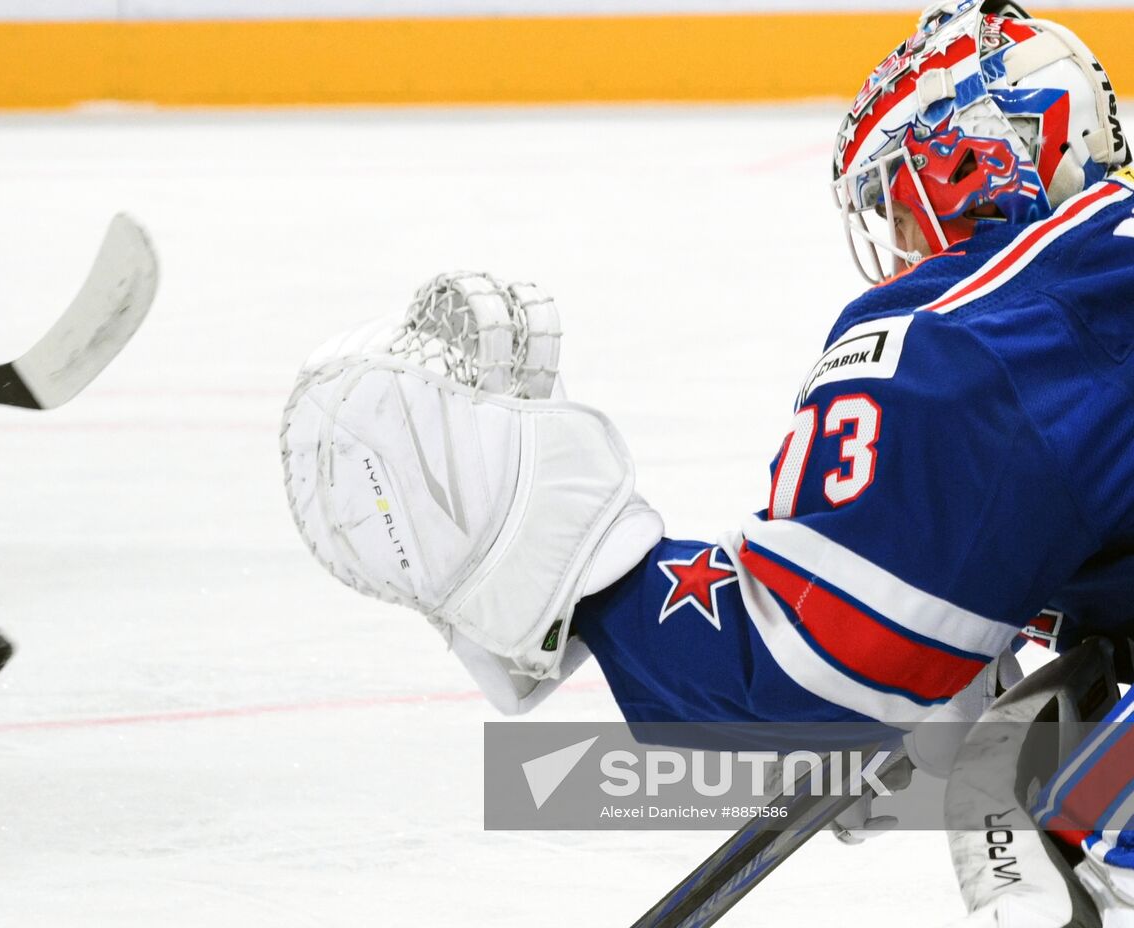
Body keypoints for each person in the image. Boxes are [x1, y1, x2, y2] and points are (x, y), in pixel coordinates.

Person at [280, 1, 1134, 923]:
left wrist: (566, 562)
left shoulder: (987, 331)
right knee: (1049, 781)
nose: (898, 241)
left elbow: (802, 673)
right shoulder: (1093, 284)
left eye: (899, 202)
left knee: (1045, 815)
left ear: (977, 165)